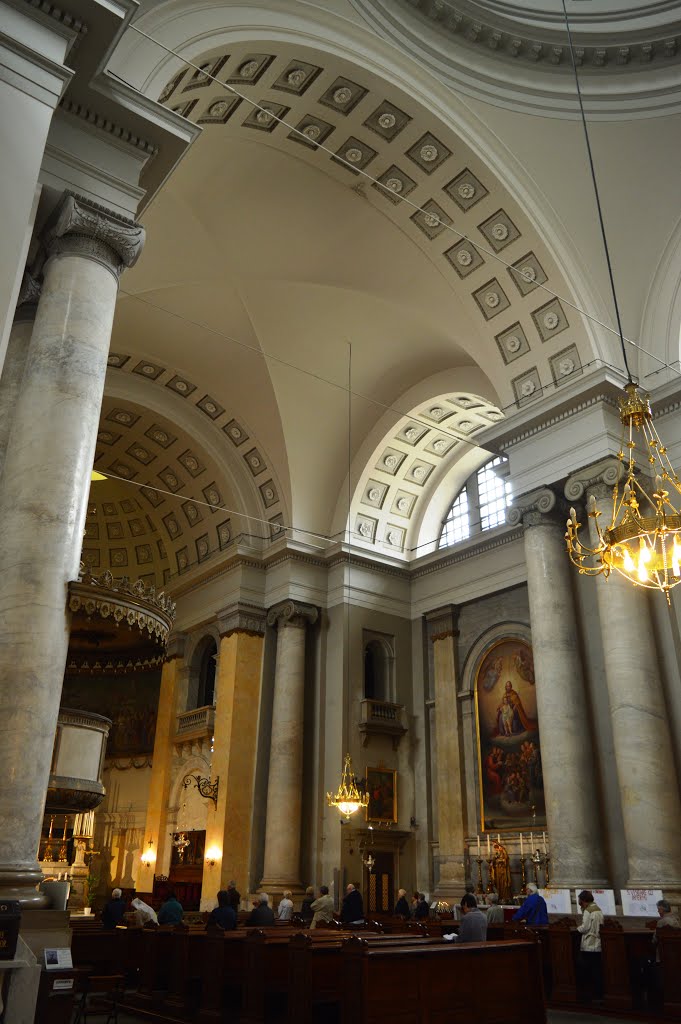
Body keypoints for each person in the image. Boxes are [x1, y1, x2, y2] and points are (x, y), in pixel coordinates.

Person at [577, 890, 604, 1001]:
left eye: (580, 902)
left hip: (589, 943)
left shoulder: (588, 910)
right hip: (598, 943)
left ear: (584, 901)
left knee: (588, 970)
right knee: (597, 970)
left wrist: (577, 929)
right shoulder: (598, 909)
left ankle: (590, 994)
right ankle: (599, 994)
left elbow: (585, 927)